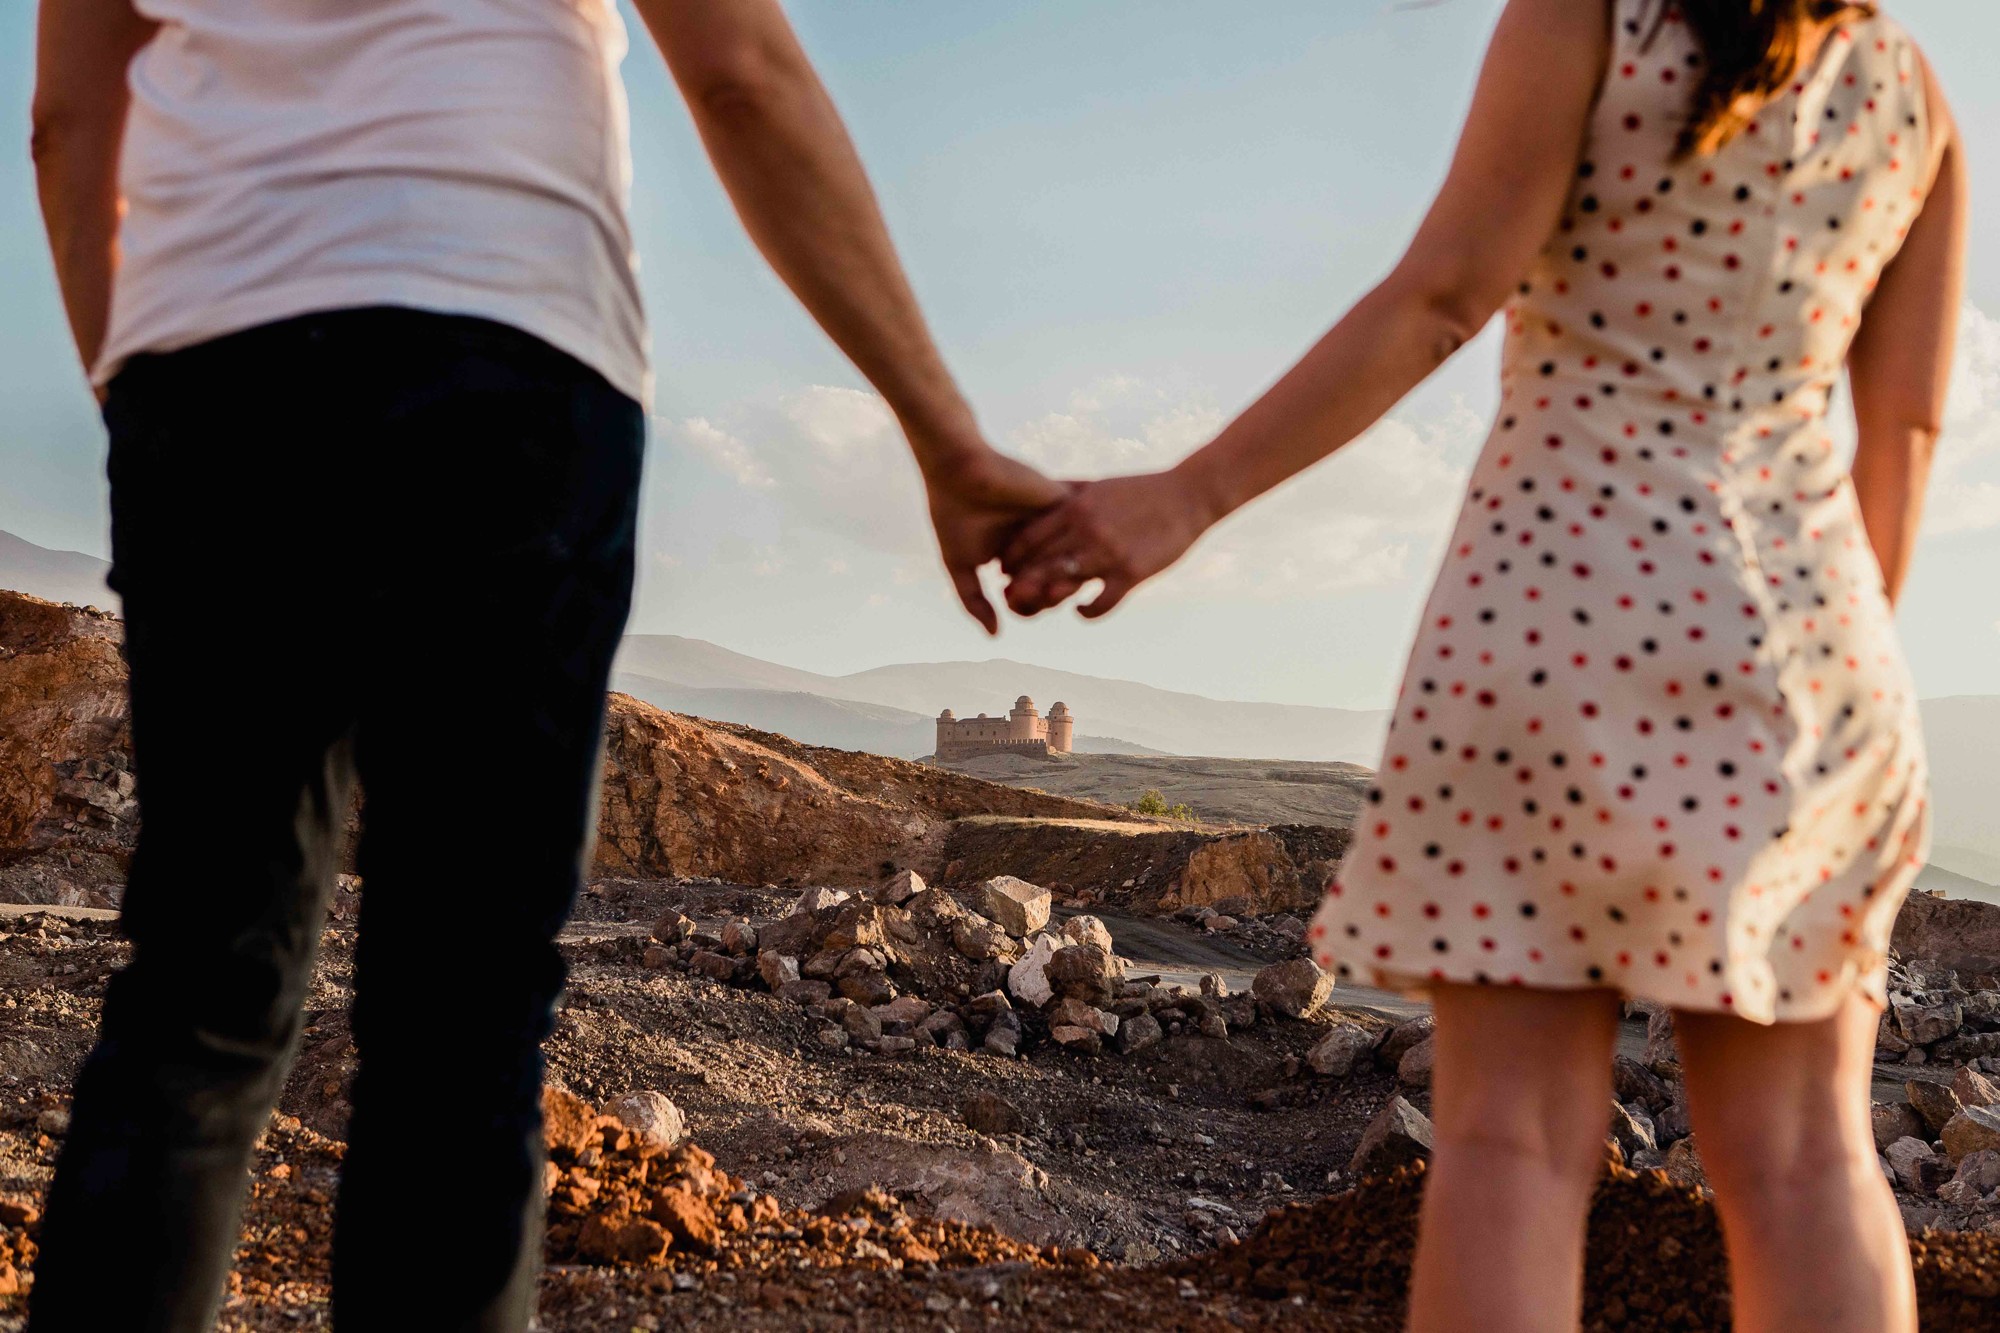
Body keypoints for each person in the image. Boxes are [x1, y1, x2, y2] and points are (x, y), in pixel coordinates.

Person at [27, 0, 1059, 1327]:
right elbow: (741, 77)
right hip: (507, 359)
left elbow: (68, 118)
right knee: (459, 1021)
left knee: (197, 990)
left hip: (216, 373)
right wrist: (943, 434)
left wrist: (136, 385)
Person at [1003, 1, 1965, 1329]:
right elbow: (1903, 432)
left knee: (1513, 1138)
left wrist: (1189, 494)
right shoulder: (1911, 96)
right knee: (1807, 1160)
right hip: (1816, 651)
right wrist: (1801, 670)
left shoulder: (1592, 19)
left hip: (1559, 618)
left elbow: (1446, 295)